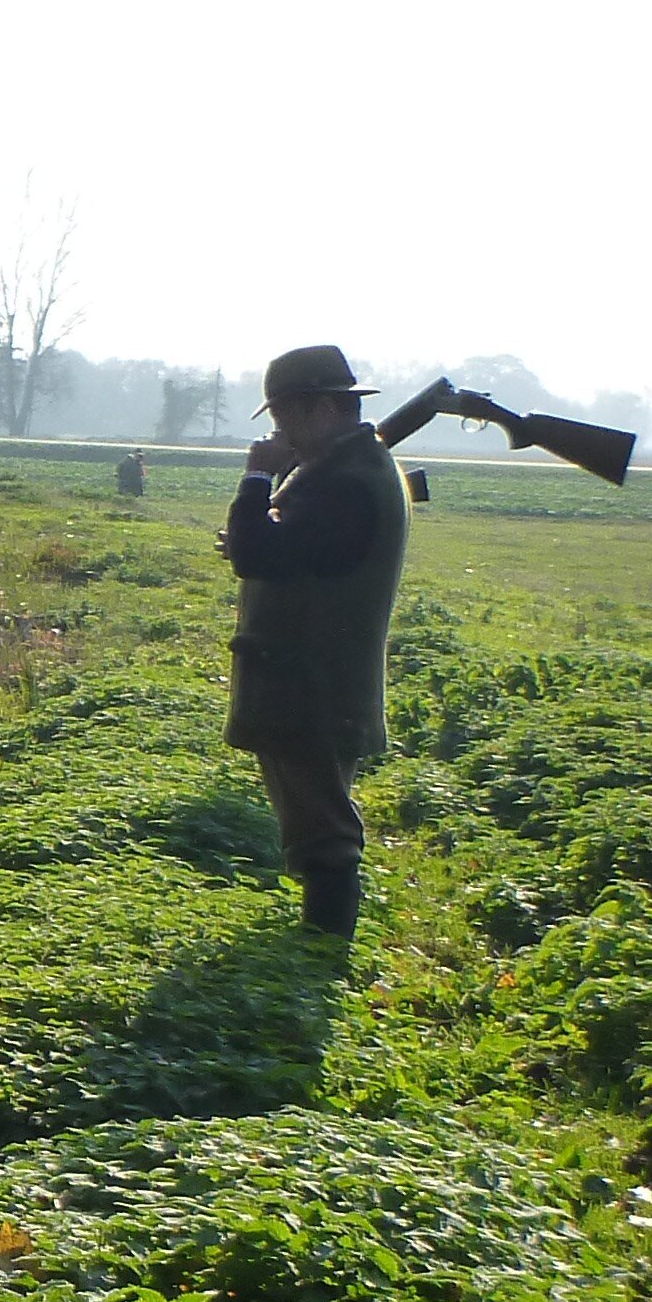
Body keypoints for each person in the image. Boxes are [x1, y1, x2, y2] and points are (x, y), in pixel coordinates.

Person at [219, 342, 413, 938]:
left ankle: (322, 960)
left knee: (323, 834)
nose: (280, 435)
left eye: (284, 419)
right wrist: (265, 520)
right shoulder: (342, 475)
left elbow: (258, 554)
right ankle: (317, 953)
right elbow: (283, 552)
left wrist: (257, 478)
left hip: (310, 685)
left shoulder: (345, 484)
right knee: (314, 822)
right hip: (305, 681)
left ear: (322, 409)